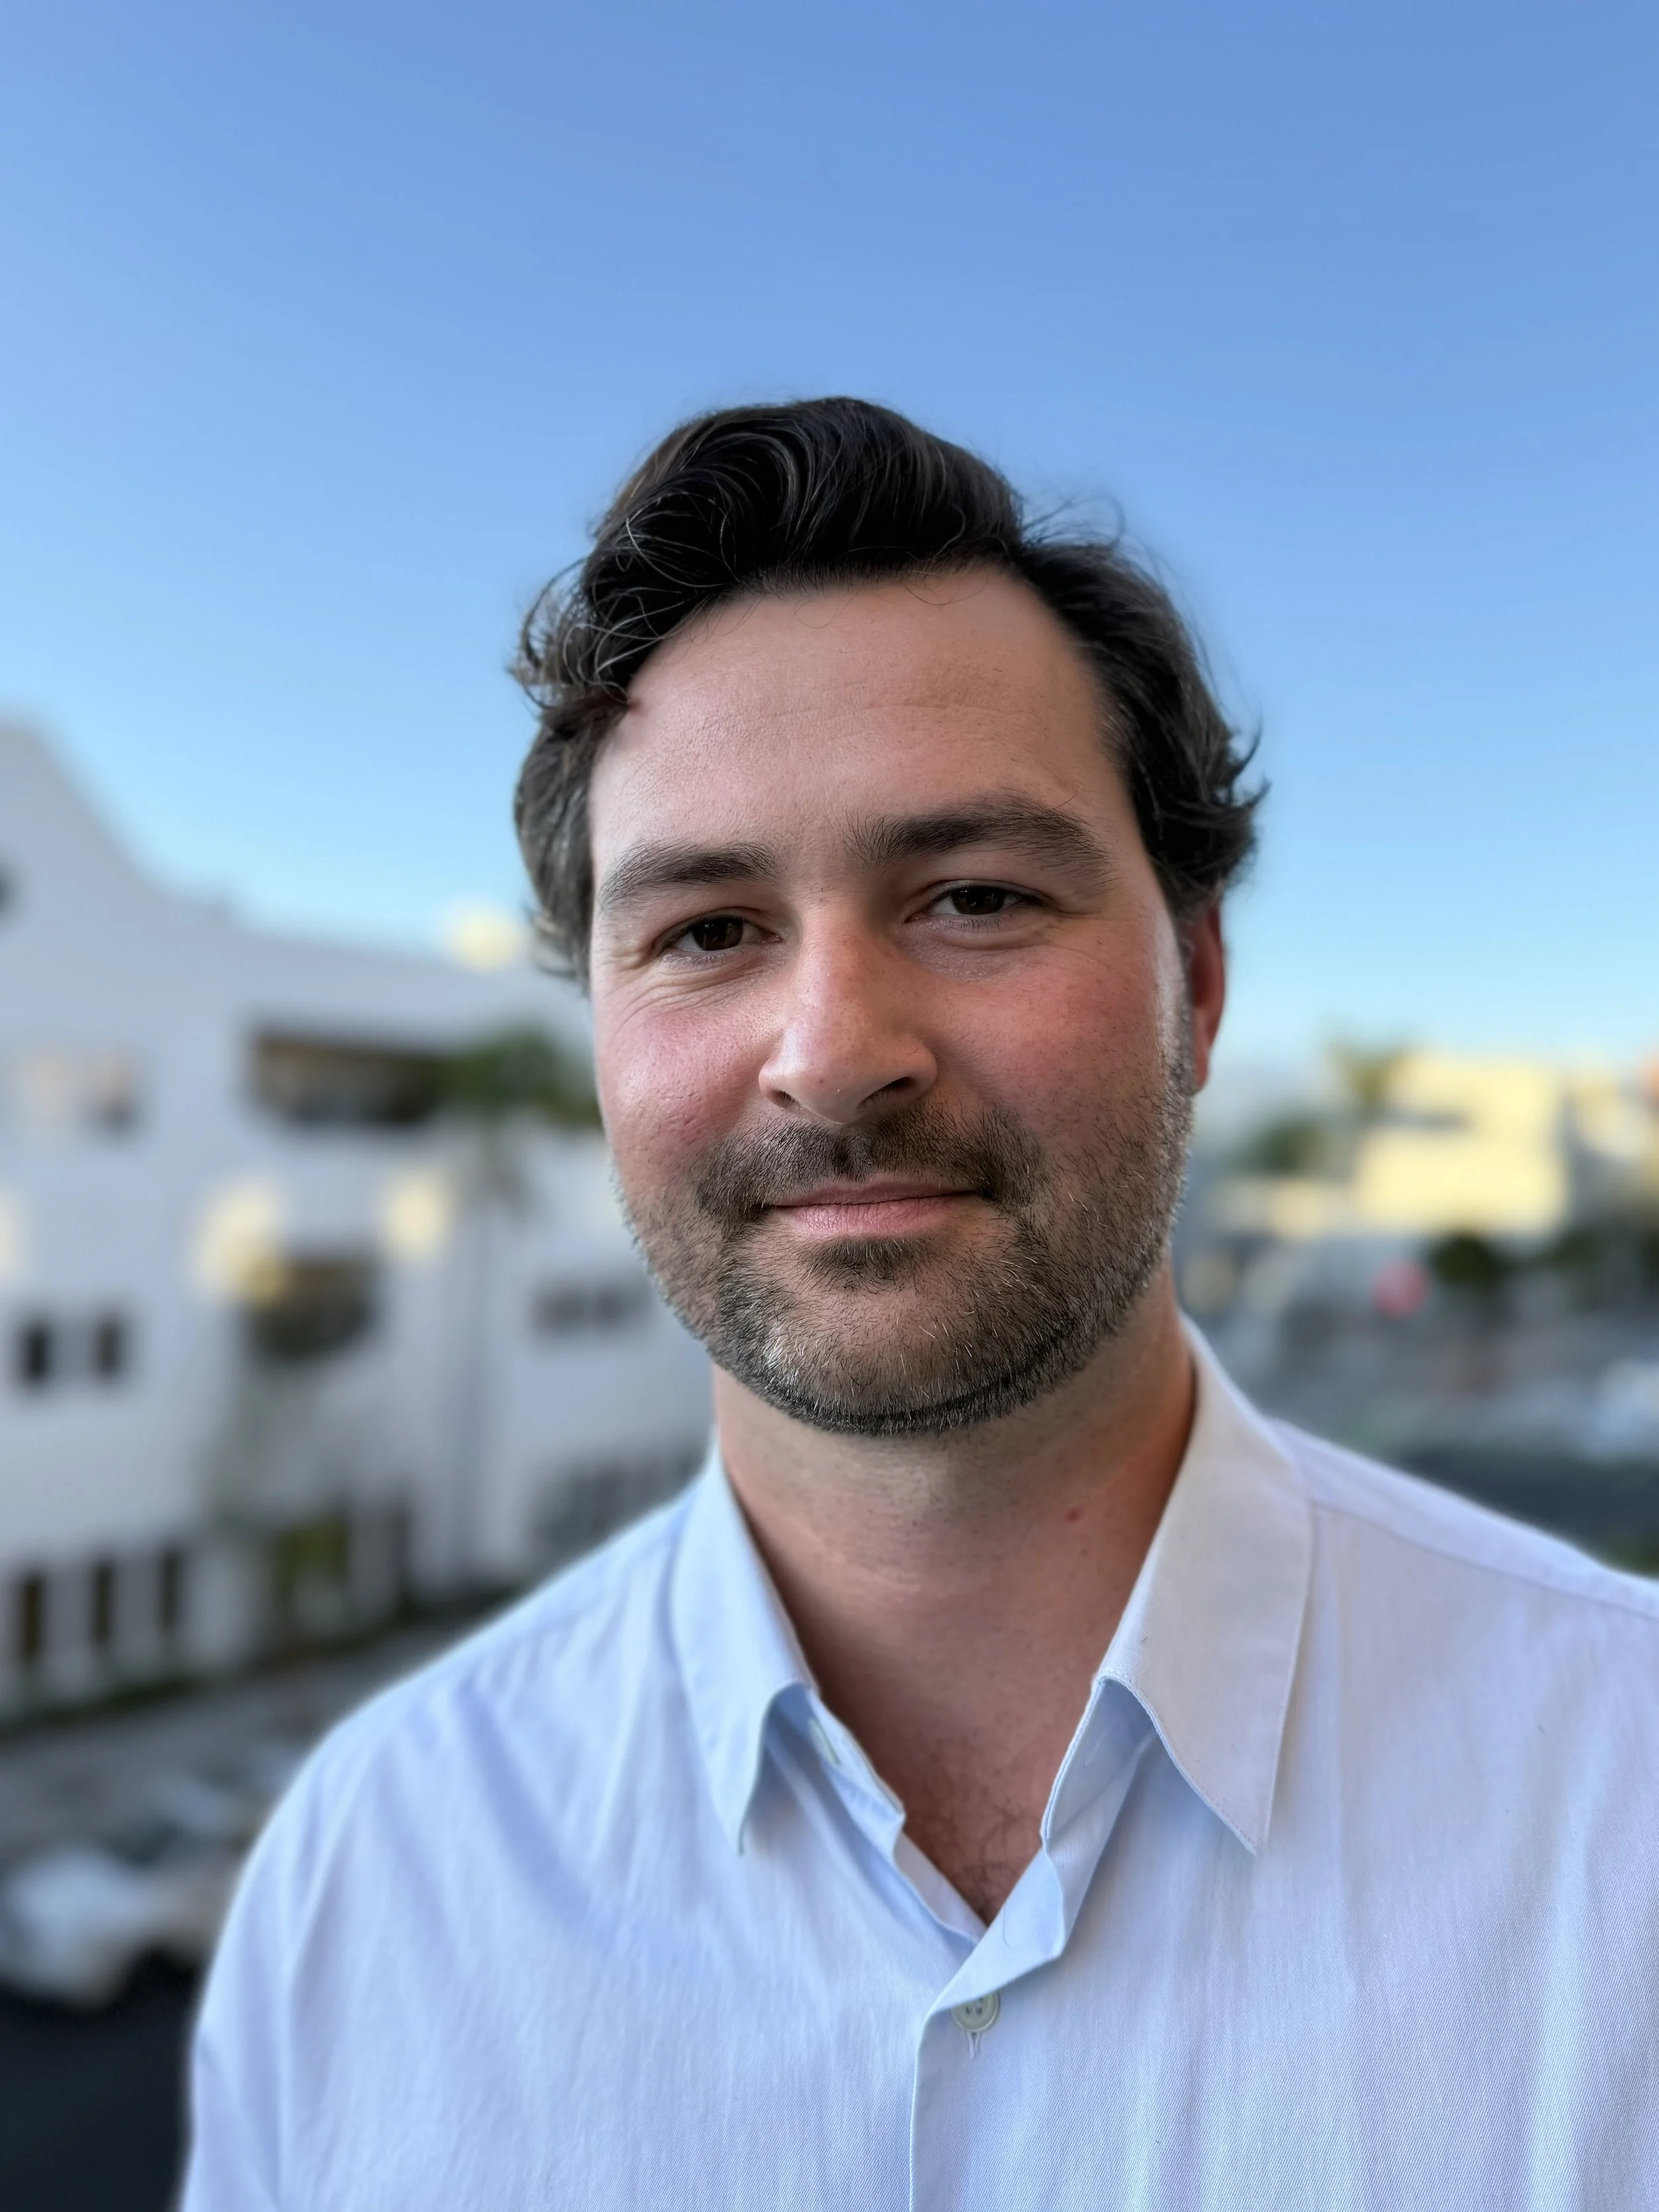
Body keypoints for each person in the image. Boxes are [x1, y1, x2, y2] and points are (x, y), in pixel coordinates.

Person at [183, 400, 1659, 2210]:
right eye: (707, 930)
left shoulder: (1625, 1802)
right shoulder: (365, 1883)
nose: (830, 1055)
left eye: (972, 896)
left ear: (1196, 985)